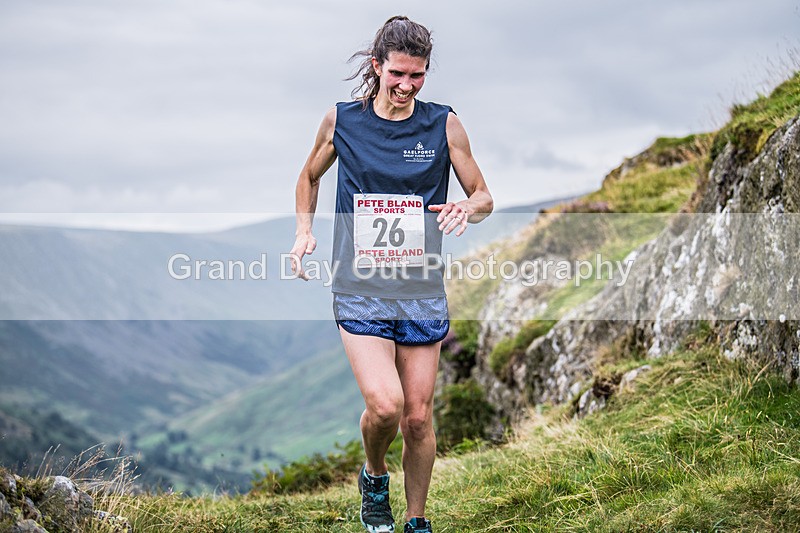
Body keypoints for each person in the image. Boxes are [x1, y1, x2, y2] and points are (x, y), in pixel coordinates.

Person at [290, 15, 492, 533]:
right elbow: (309, 177)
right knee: (385, 406)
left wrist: (465, 209)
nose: (406, 86)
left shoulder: (443, 124)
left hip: (421, 288)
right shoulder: (343, 122)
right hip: (360, 286)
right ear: (377, 66)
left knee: (418, 417)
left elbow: (484, 196)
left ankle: (416, 521)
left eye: (418, 76)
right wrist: (303, 233)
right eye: (398, 74)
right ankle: (374, 476)